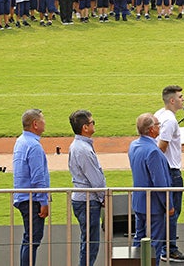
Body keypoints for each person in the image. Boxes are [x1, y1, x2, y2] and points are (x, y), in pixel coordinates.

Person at [128, 113, 173, 262]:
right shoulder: (153, 151)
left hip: (139, 202)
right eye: (158, 124)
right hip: (153, 206)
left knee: (138, 241)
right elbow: (160, 183)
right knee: (155, 245)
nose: (160, 126)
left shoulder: (134, 145)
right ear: (152, 129)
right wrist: (169, 205)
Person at [12, 109, 50, 266]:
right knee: (32, 239)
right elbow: (38, 178)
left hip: (23, 197)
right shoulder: (34, 146)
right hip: (32, 200)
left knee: (29, 239)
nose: (45, 123)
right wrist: (43, 201)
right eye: (42, 120)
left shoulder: (21, 140)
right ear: (35, 124)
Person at [68, 110, 106, 266]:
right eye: (92, 122)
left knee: (88, 242)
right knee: (91, 244)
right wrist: (104, 197)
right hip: (88, 201)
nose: (94, 124)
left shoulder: (79, 145)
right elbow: (95, 180)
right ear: (85, 127)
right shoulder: (83, 149)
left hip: (84, 199)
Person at [154, 85, 184, 262]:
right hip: (171, 171)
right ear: (172, 100)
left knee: (165, 210)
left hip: (167, 170)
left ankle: (165, 245)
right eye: (181, 97)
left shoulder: (160, 114)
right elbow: (161, 147)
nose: (183, 99)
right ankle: (170, 249)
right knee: (172, 210)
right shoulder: (170, 121)